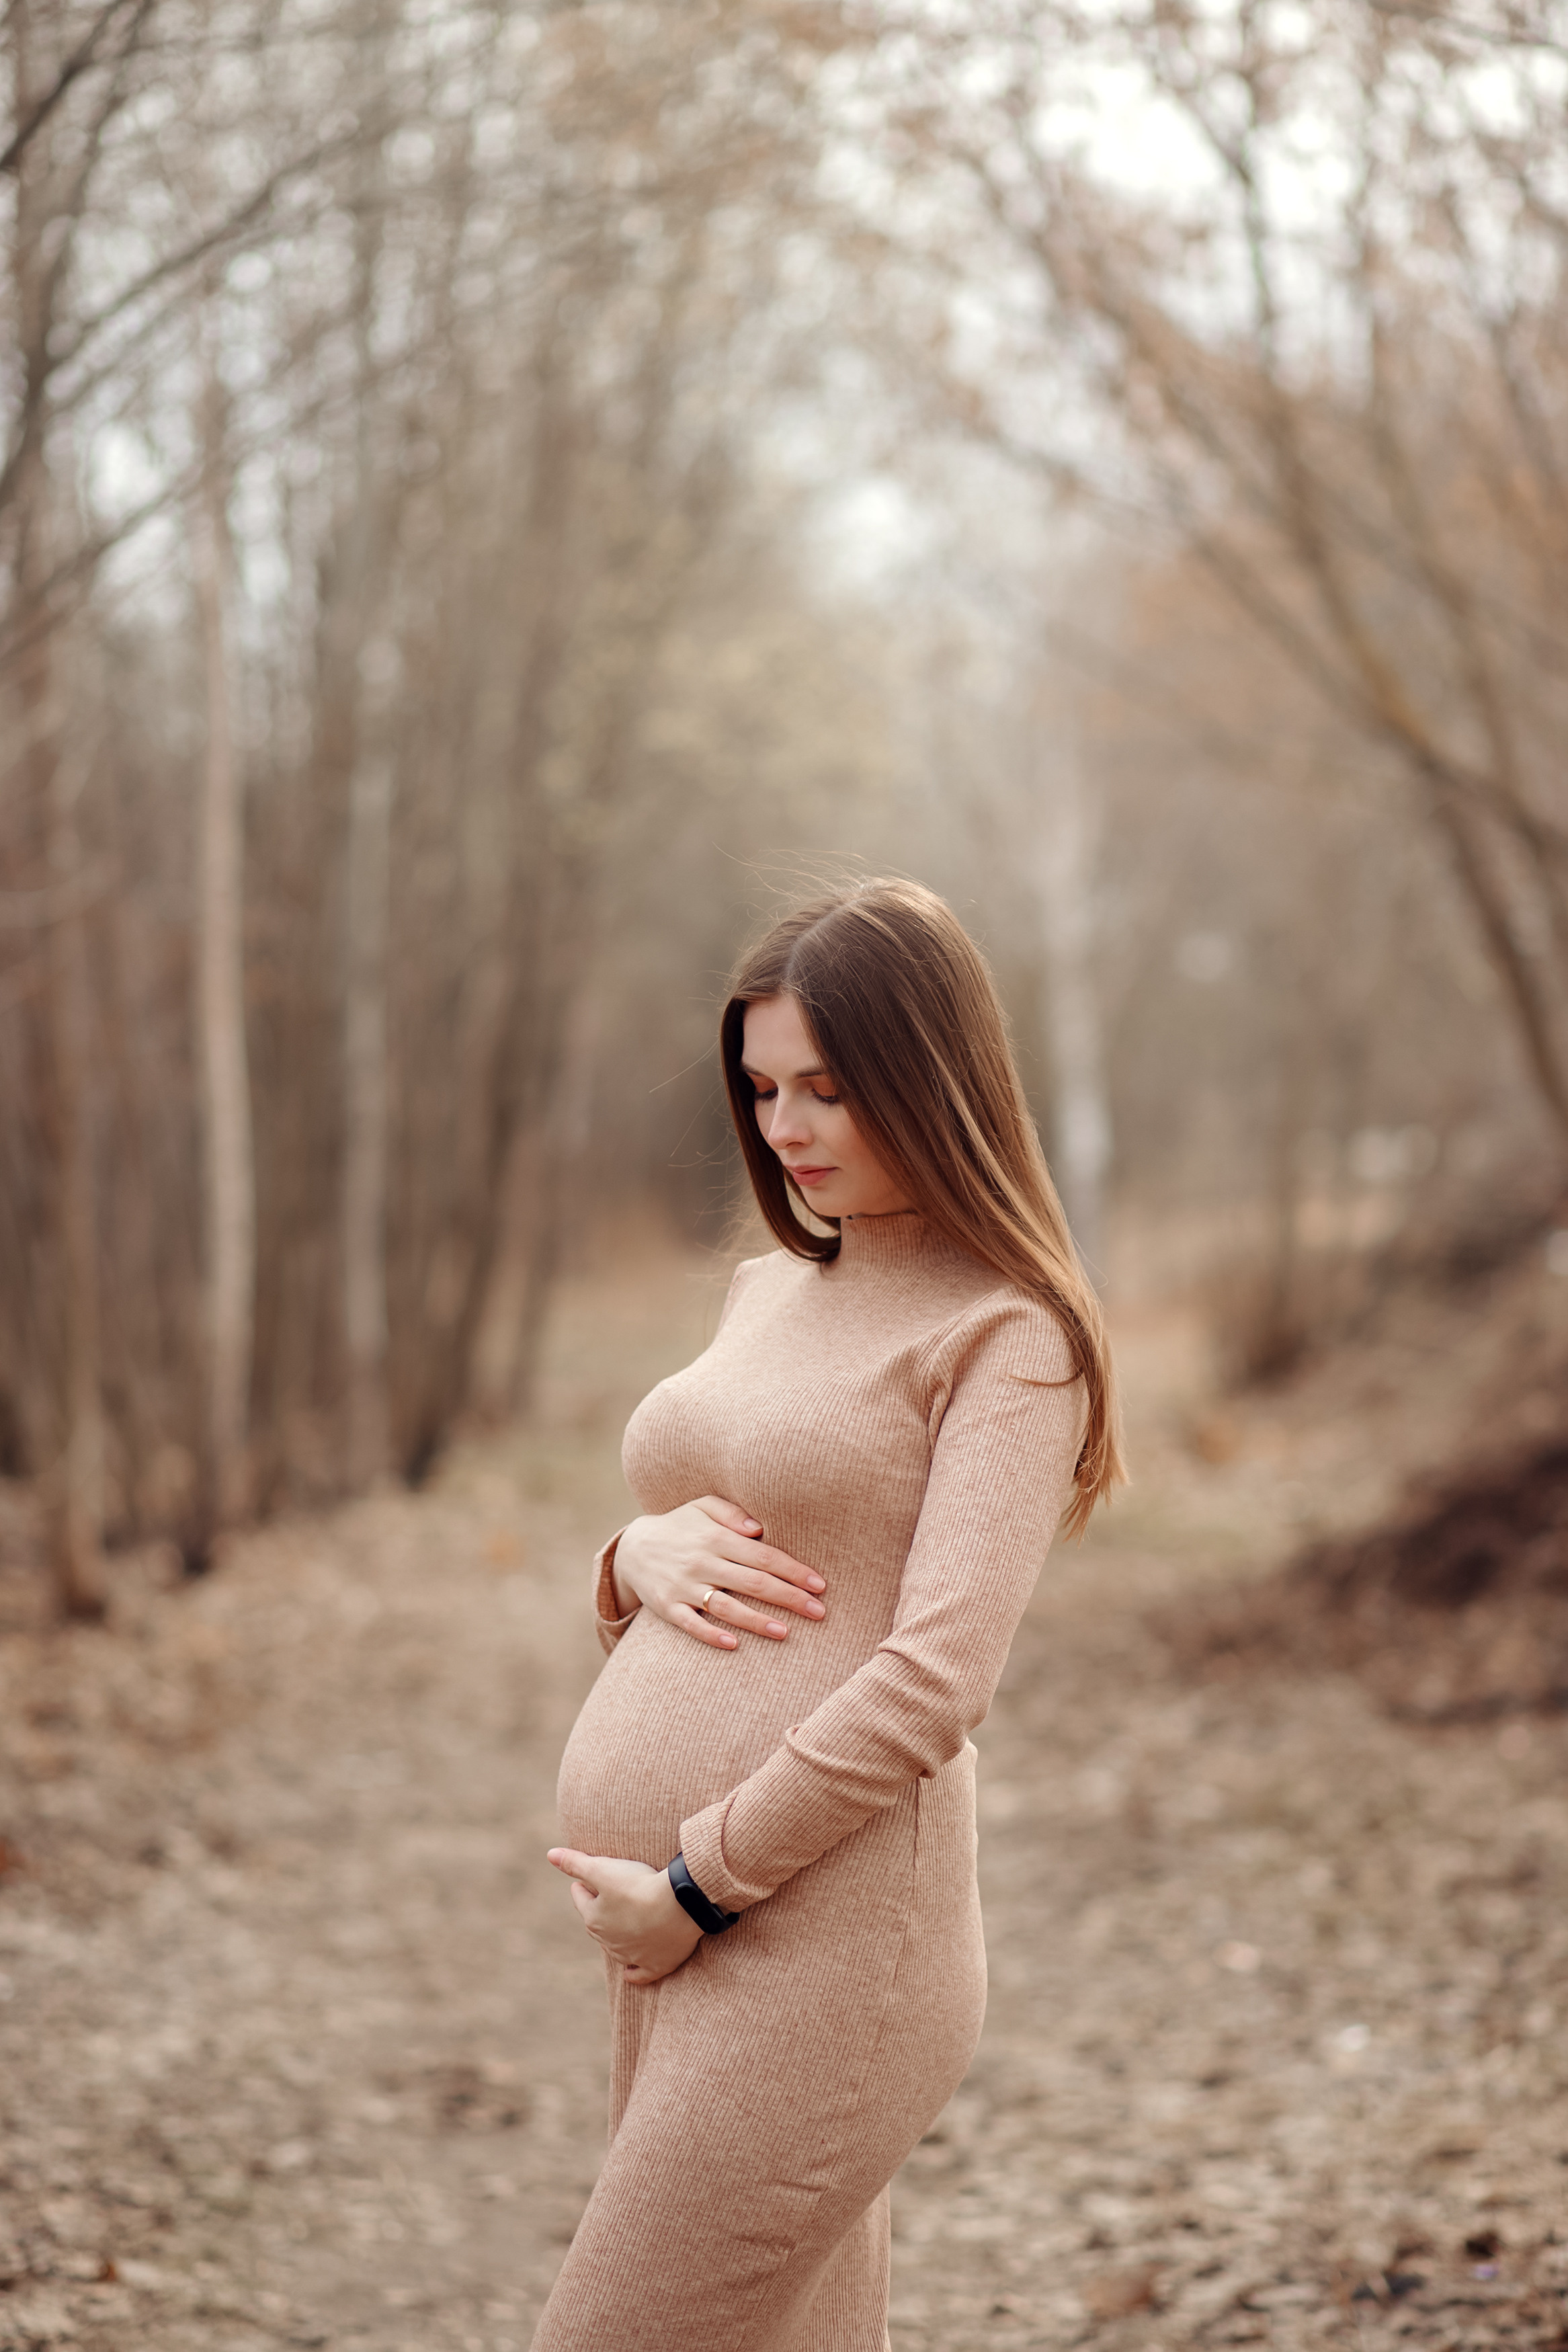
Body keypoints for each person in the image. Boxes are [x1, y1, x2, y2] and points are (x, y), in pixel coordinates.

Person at [532, 879, 1121, 2352]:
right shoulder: (762, 1294)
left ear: (931, 1078)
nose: (785, 1126)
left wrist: (695, 1883)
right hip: (688, 1919)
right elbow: (703, 1549)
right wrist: (624, 1564)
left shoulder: (1005, 1332)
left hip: (825, 1936)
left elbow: (936, 1679)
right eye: (764, 1087)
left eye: (829, 1088)